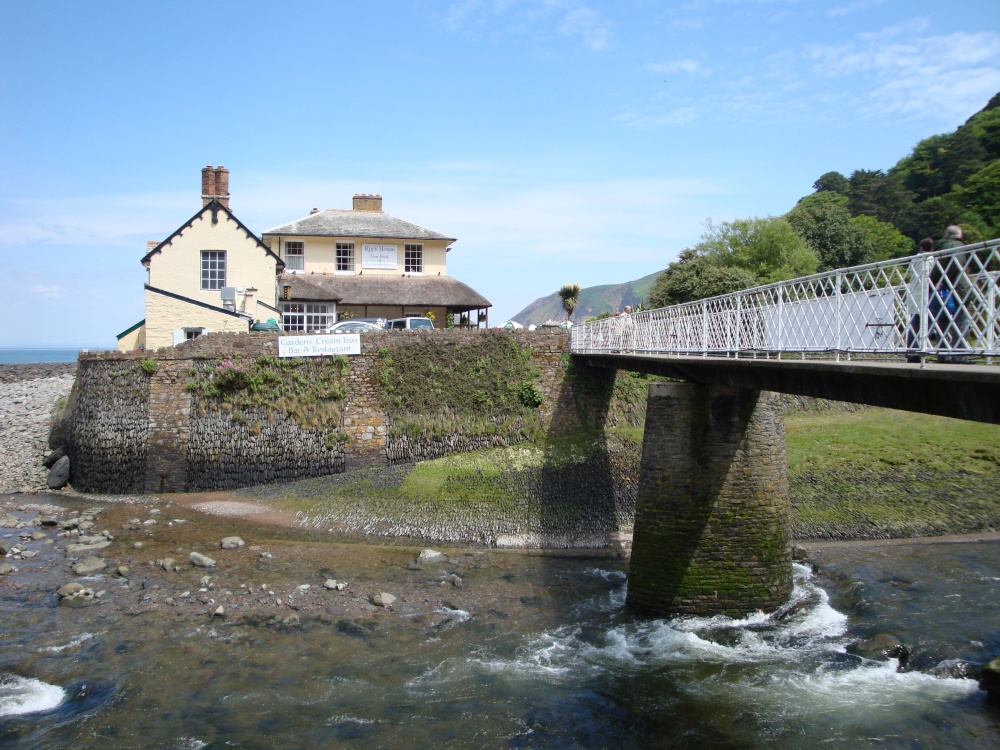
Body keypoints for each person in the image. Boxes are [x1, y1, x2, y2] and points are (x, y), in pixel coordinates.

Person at [931, 225, 972, 363]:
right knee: (961, 322)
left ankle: (942, 355)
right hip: (958, 288)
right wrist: (946, 280)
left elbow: (937, 269)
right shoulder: (958, 245)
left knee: (942, 321)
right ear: (960, 235)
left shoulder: (940, 247)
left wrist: (935, 282)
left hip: (941, 290)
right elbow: (956, 265)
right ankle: (959, 356)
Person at [905, 238, 935, 362]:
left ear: (921, 247)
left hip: (913, 294)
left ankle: (911, 352)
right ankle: (918, 352)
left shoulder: (915, 258)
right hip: (924, 295)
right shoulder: (930, 258)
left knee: (914, 325)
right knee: (924, 325)